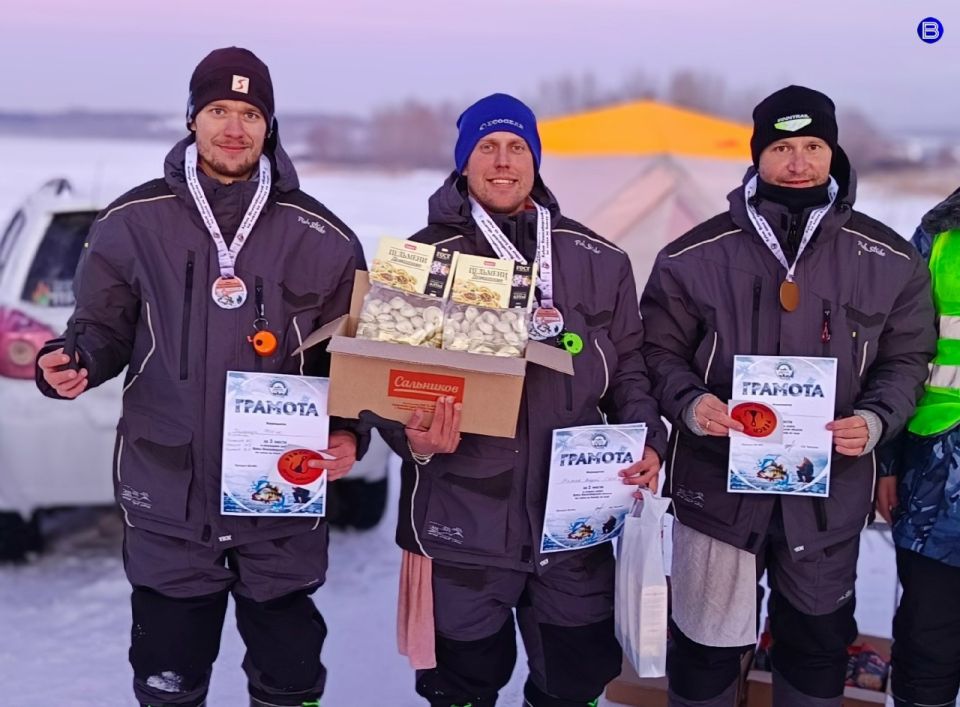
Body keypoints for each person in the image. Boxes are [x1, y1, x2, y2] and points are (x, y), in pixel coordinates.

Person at [35, 47, 365, 707]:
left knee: (290, 681)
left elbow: (352, 357)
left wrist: (352, 430)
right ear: (193, 118)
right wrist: (73, 361)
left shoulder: (326, 237)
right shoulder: (131, 223)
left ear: (269, 124)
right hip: (169, 501)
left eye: (249, 112)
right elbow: (101, 327)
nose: (234, 127)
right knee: (169, 683)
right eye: (219, 110)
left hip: (279, 507)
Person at [639, 85, 936, 707]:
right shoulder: (694, 256)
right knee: (703, 650)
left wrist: (877, 420)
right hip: (717, 493)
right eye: (782, 147)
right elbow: (657, 353)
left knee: (817, 645)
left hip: (828, 498)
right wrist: (691, 405)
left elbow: (907, 359)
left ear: (833, 151)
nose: (798, 161)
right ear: (758, 155)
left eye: (813, 145)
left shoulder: (888, 259)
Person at [377, 93, 668, 707]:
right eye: (487, 147)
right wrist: (411, 437)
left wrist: (649, 442)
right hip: (462, 521)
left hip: (573, 524)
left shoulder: (599, 259)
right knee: (460, 685)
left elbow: (632, 371)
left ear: (535, 159)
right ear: (464, 162)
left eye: (517, 147)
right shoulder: (422, 259)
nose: (502, 161)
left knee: (576, 679)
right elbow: (382, 385)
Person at [877, 186, 960, 707]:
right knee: (927, 641)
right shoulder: (939, 234)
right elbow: (897, 352)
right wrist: (885, 462)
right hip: (935, 479)